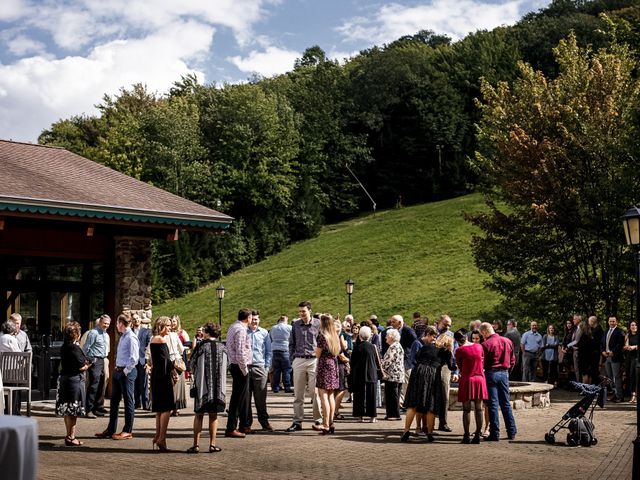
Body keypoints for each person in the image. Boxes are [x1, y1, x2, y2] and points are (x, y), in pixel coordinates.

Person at [400, 326, 453, 442]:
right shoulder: (446, 352)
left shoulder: (427, 346)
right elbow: (451, 366)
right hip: (432, 374)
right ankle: (429, 433)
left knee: (412, 404)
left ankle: (406, 431)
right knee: (430, 406)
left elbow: (417, 357)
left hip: (418, 372)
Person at [95, 314, 139, 440]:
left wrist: (125, 371)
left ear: (121, 323)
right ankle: (110, 429)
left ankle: (127, 431)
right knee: (114, 402)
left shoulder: (131, 337)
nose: (116, 326)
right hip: (118, 372)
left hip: (127, 373)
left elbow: (134, 358)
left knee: (128, 401)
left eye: (117, 323)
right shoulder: (123, 336)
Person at [187, 322, 228, 454]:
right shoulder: (223, 347)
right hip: (218, 389)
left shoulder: (201, 347)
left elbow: (191, 365)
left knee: (199, 415)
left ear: (207, 332)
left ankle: (196, 445)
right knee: (213, 416)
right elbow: (228, 365)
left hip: (202, 388)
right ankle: (212, 444)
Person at [285, 301, 322, 432]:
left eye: (303, 311)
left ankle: (318, 420)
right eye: (300, 311)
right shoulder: (295, 325)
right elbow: (291, 343)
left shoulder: (318, 324)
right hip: (299, 359)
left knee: (315, 392)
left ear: (310, 311)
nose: (301, 313)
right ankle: (297, 422)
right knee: (298, 394)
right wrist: (292, 359)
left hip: (314, 360)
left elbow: (322, 342)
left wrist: (319, 358)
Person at [480, 322, 517, 441]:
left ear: (485, 331)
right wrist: (507, 372)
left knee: (493, 405)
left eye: (482, 334)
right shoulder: (507, 341)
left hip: (491, 373)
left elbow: (483, 363)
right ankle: (511, 431)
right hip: (504, 373)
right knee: (506, 403)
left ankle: (495, 433)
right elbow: (513, 360)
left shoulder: (486, 344)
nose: (482, 337)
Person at [56, 321, 90, 446]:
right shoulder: (75, 348)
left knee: (67, 410)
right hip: (74, 381)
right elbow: (82, 366)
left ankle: (68, 435)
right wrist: (88, 364)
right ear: (76, 335)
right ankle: (71, 436)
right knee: (73, 411)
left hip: (64, 379)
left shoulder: (64, 346)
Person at [454, 328, 487, 444]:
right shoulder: (479, 347)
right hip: (479, 379)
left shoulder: (459, 350)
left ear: (457, 341)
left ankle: (466, 435)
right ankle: (478, 435)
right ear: (467, 337)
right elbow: (483, 361)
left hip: (467, 379)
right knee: (479, 409)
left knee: (466, 410)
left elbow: (460, 367)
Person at [149, 316, 176, 452]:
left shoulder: (153, 339)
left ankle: (157, 436)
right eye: (169, 326)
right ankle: (162, 438)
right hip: (163, 375)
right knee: (166, 407)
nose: (171, 328)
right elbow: (167, 360)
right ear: (162, 326)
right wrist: (174, 372)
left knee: (160, 408)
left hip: (156, 375)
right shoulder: (161, 339)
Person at [243, 310, 273, 432]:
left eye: (256, 319)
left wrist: (266, 367)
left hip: (260, 368)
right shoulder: (243, 332)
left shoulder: (264, 333)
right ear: (249, 319)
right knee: (246, 398)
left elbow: (268, 351)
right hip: (245, 368)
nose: (254, 321)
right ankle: (246, 424)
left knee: (261, 398)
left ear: (259, 320)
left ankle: (264, 422)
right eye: (252, 319)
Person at [225, 308, 252, 438]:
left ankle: (243, 425)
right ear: (248, 318)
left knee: (242, 397)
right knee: (238, 398)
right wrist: (244, 369)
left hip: (234, 364)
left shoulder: (233, 326)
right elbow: (240, 351)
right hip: (240, 366)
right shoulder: (241, 330)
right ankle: (231, 427)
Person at [313, 314, 341, 434]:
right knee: (330, 396)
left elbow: (318, 354)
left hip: (324, 365)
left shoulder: (322, 336)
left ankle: (325, 424)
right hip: (333, 365)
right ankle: (331, 422)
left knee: (323, 395)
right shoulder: (335, 336)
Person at [350, 326, 380, 423]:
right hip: (371, 373)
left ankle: (360, 415)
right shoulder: (373, 347)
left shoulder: (357, 347)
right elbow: (376, 360)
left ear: (360, 336)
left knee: (359, 395)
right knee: (372, 395)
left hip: (359, 374)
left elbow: (352, 362)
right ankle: (372, 416)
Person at [83, 314, 111, 418]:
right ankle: (88, 409)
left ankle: (97, 408)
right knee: (94, 385)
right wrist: (86, 360)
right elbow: (86, 347)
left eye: (108, 324)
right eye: (104, 323)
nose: (106, 325)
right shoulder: (93, 333)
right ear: (100, 322)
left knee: (101, 384)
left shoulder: (105, 334)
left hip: (102, 359)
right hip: (94, 360)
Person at [389, 315, 417, 407]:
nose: (391, 324)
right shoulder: (394, 331)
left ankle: (407, 403)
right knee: (401, 382)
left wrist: (409, 352)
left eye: (393, 322)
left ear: (400, 323)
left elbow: (415, 342)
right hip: (398, 361)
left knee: (406, 383)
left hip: (406, 361)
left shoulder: (408, 330)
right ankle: (401, 403)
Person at [436, 314, 457, 432]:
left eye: (449, 325)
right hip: (432, 365)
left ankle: (443, 422)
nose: (447, 327)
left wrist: (455, 371)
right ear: (439, 322)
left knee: (444, 394)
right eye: (445, 324)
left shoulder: (451, 335)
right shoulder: (432, 332)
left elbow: (455, 354)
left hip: (445, 366)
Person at [381, 328, 404, 421]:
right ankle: (391, 414)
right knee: (393, 395)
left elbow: (388, 361)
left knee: (393, 396)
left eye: (387, 335)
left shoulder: (394, 347)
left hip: (393, 375)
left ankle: (394, 415)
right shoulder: (397, 345)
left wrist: (380, 365)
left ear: (391, 337)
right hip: (396, 375)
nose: (385, 337)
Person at [601, 316, 625, 402]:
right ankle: (615, 394)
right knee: (610, 377)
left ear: (616, 322)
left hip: (615, 357)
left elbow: (620, 344)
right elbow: (602, 343)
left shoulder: (620, 331)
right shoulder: (606, 331)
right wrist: (602, 351)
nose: (612, 323)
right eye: (610, 321)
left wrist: (613, 352)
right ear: (608, 322)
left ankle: (620, 396)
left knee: (616, 377)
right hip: (607, 357)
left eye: (613, 321)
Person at [168, 315, 187, 416]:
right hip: (177, 361)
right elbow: (181, 349)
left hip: (167, 362)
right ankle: (177, 408)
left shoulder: (161, 336)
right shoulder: (174, 335)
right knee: (178, 386)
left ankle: (170, 408)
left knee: (170, 386)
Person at [132, 313, 152, 410]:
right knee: (135, 382)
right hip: (132, 361)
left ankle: (146, 404)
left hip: (142, 359)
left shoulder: (146, 331)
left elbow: (149, 344)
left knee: (143, 383)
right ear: (132, 321)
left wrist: (148, 360)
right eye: (134, 319)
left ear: (140, 319)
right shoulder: (129, 331)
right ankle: (137, 403)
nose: (136, 320)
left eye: (137, 318)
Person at [269, 314, 292, 394]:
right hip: (285, 349)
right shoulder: (289, 327)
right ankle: (287, 387)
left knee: (276, 370)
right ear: (286, 320)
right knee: (286, 370)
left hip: (275, 350)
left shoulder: (273, 328)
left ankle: (275, 387)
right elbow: (292, 338)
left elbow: (270, 338)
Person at [333, 319, 350, 420]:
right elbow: (341, 352)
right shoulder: (337, 337)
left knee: (334, 390)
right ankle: (335, 411)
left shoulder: (327, 337)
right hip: (338, 365)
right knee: (341, 389)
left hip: (331, 365)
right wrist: (348, 360)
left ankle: (333, 411)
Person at [624, 320, 639, 403]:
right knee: (630, 376)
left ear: (637, 326)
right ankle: (632, 394)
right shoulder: (628, 335)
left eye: (634, 325)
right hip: (629, 358)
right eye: (631, 325)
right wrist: (627, 347)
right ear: (630, 327)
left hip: (636, 358)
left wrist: (635, 347)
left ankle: (635, 396)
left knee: (635, 376)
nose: (633, 327)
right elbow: (625, 345)